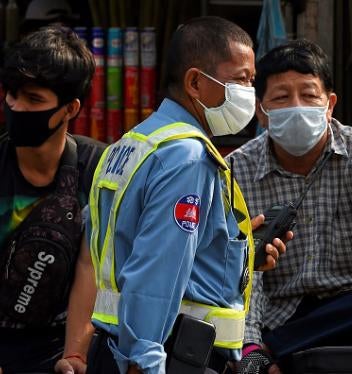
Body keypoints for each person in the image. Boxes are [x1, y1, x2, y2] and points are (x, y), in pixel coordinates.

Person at [56, 16, 292, 374]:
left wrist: (238, 254)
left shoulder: (130, 144)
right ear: (195, 82)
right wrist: (146, 360)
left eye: (252, 80)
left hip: (119, 346)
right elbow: (157, 267)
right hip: (170, 355)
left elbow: (119, 249)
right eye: (241, 79)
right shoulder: (187, 155)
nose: (249, 92)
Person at [228, 39, 352, 373]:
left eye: (308, 95)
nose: (296, 106)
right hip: (279, 315)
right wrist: (250, 345)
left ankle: (279, 351)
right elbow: (242, 275)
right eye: (281, 97)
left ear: (330, 104)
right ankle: (266, 352)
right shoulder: (236, 171)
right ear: (261, 111)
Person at [0, 26, 106, 373]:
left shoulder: (96, 168)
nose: (16, 107)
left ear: (70, 109)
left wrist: (75, 355)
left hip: (59, 341)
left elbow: (89, 265)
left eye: (34, 99)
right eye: (12, 95)